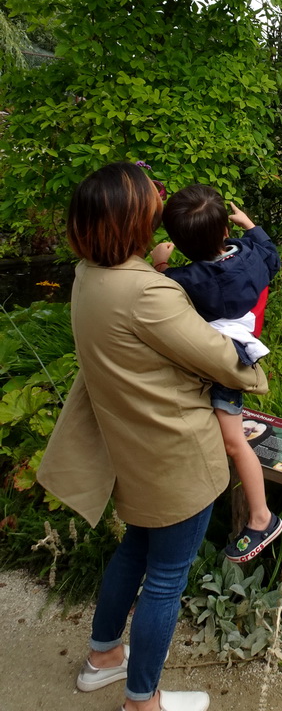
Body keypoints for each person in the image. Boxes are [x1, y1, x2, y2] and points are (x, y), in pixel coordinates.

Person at [37, 163, 269, 711]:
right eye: (150, 206)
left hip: (132, 449)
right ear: (132, 221)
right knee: (166, 578)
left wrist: (161, 267)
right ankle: (144, 701)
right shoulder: (147, 294)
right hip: (175, 455)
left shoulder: (88, 275)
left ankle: (102, 659)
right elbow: (221, 359)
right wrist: (251, 360)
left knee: (133, 552)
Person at [150, 185, 282, 563]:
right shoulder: (250, 256)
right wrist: (251, 226)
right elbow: (273, 257)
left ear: (176, 240)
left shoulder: (188, 279)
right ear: (226, 231)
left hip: (224, 363)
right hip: (239, 352)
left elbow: (162, 291)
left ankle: (262, 516)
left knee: (233, 442)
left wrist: (160, 262)